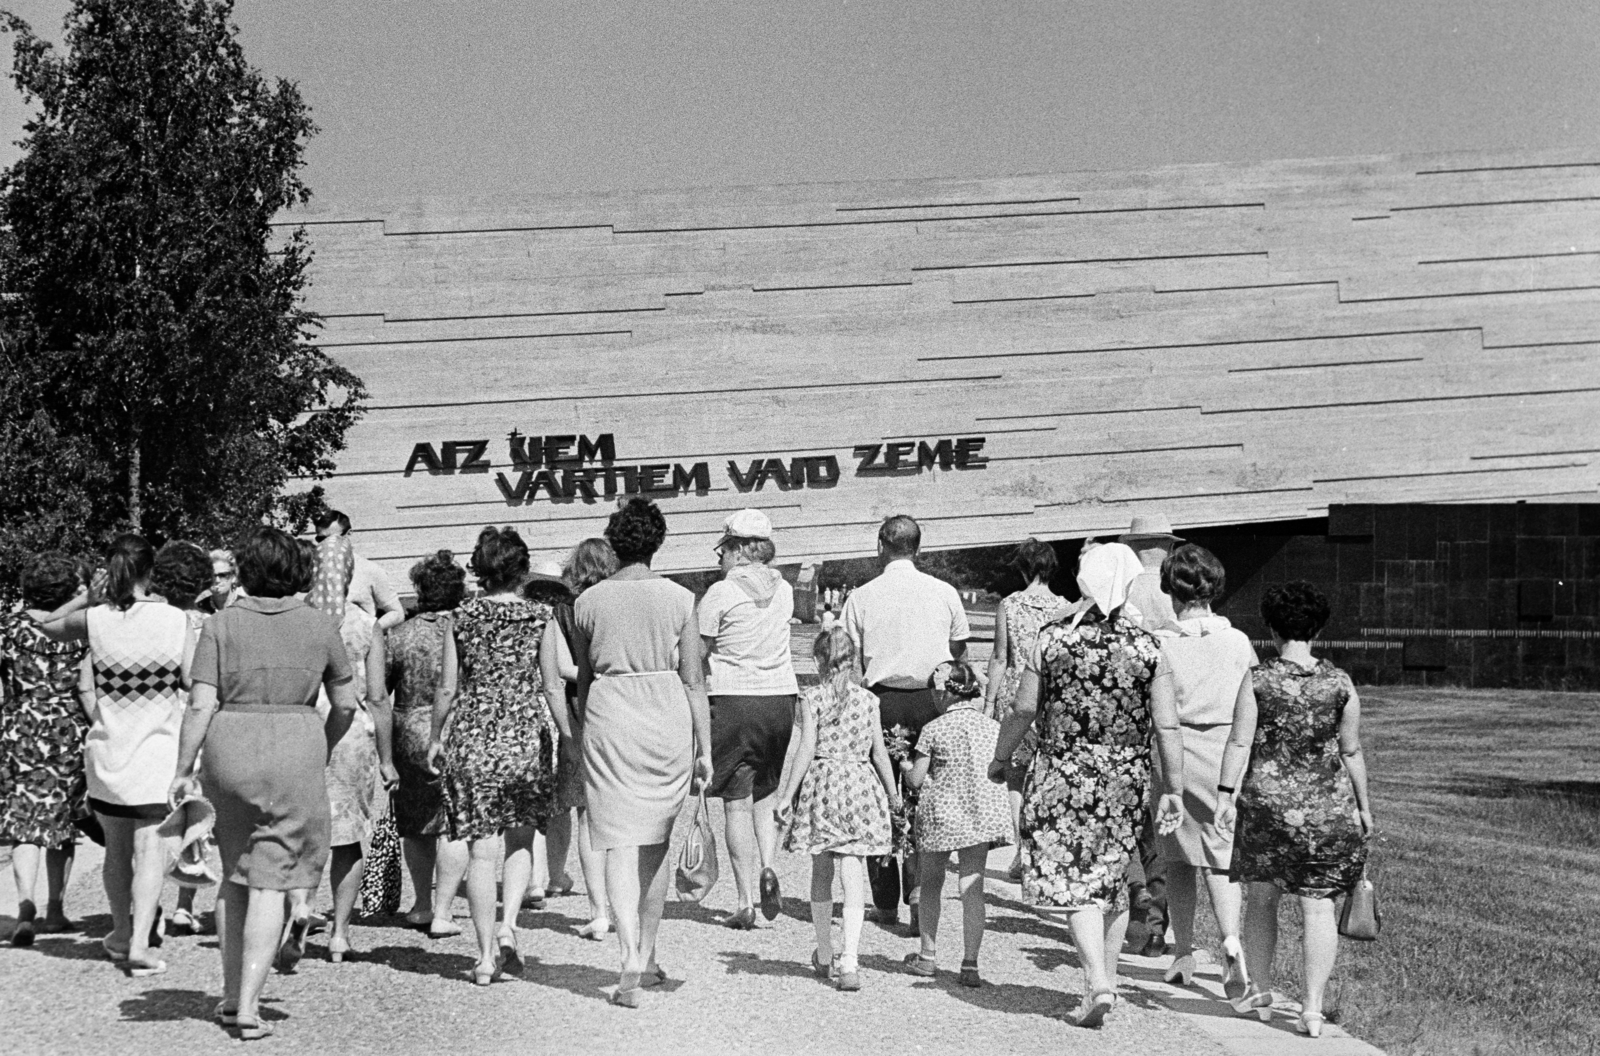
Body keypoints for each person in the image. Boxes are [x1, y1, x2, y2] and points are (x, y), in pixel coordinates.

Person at [167, 526, 359, 1039]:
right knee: (272, 878)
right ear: (296, 571)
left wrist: (183, 768)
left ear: (246, 572)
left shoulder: (221, 625)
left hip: (230, 746)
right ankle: (249, 1004)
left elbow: (201, 702)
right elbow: (344, 702)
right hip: (296, 741)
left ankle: (230, 995)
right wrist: (324, 740)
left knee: (235, 873)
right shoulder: (320, 625)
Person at [988, 542, 1185, 1029]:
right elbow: (1168, 726)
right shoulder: (1147, 647)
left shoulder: (1052, 640)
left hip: (1063, 773)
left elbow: (1024, 709)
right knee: (1113, 880)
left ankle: (1097, 980)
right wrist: (1175, 788)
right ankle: (1106, 981)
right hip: (1127, 779)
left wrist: (1000, 755)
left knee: (1073, 878)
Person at [572, 498, 712, 1008]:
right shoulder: (680, 598)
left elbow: (584, 681)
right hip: (664, 717)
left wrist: (586, 732)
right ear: (658, 542)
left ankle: (628, 949)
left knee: (612, 839)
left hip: (610, 713)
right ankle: (649, 956)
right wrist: (705, 749)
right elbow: (695, 681)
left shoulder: (588, 602)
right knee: (654, 841)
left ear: (614, 541)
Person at [1219, 581, 1374, 1037]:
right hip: (1328, 809)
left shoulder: (1259, 679)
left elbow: (1240, 740)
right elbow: (1352, 751)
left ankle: (1262, 993)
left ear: (1270, 628)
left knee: (1262, 900)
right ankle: (1311, 1009)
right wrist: (1364, 807)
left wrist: (1225, 795)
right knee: (1318, 907)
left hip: (1267, 806)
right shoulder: (1340, 683)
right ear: (1320, 628)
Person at [36, 534, 192, 976]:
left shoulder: (95, 619)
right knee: (150, 853)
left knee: (116, 853)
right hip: (157, 752)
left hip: (109, 751)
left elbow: (46, 624)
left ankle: (121, 932)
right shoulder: (174, 619)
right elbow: (190, 682)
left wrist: (86, 597)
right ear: (151, 571)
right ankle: (141, 942)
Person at [427, 526, 561, 986]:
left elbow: (447, 686)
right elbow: (551, 684)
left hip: (473, 739)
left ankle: (484, 957)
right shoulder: (540, 617)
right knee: (521, 840)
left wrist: (434, 736)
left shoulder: (461, 617)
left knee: (482, 852)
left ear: (480, 570)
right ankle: (510, 924)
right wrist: (569, 732)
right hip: (525, 739)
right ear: (522, 570)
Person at [840, 514, 970, 929]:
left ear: (881, 544)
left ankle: (885, 897)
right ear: (919, 546)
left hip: (881, 702)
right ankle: (920, 884)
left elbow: (850, 659)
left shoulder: (861, 596)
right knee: (922, 798)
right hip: (931, 701)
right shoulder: (944, 591)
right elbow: (957, 648)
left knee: (881, 797)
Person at [1148, 544, 1257, 998]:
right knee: (1220, 857)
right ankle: (1232, 941)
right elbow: (1247, 715)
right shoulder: (1238, 641)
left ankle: (1184, 952)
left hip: (1173, 753)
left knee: (1176, 856)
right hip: (1224, 752)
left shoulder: (1160, 642)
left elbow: (1157, 712)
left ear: (1172, 589)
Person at [773, 627, 899, 993]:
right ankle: (851, 960)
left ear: (818, 661)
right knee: (853, 870)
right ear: (854, 660)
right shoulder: (868, 701)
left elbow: (806, 748)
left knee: (822, 868)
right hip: (860, 783)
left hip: (824, 783)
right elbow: (880, 753)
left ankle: (826, 954)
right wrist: (893, 796)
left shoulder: (812, 698)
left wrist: (786, 795)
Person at [698, 508, 799, 929]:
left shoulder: (720, 594)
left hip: (734, 697)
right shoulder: (786, 590)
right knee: (766, 793)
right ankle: (769, 864)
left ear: (739, 550)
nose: (720, 558)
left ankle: (744, 900)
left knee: (735, 803)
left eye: (724, 549)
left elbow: (698, 651)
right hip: (780, 699)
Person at [304, 534, 394, 964]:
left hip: (303, 731)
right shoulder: (365, 624)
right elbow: (377, 696)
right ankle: (339, 933)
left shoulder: (298, 618)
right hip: (352, 737)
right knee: (347, 839)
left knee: (302, 835)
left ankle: (297, 916)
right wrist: (389, 759)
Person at [900, 660, 1011, 987]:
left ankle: (928, 956)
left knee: (931, 883)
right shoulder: (991, 727)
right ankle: (970, 963)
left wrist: (905, 762)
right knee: (971, 886)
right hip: (979, 814)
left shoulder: (933, 729)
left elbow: (917, 780)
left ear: (947, 694)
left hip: (942, 815)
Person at [1, 553, 90, 944]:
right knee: (63, 825)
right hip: (67, 730)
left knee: (25, 824)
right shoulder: (79, 629)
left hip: (19, 728)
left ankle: (24, 905)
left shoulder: (7, 628)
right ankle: (55, 910)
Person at [387, 550, 469, 938]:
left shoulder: (400, 635)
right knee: (454, 824)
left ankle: (420, 904)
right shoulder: (466, 629)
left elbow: (380, 690)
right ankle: (444, 910)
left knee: (416, 825)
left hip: (408, 728)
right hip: (456, 727)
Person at [541, 538, 618, 940]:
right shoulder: (620, 603)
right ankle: (625, 905)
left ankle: (599, 910)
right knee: (622, 815)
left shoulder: (562, 610)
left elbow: (556, 672)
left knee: (586, 817)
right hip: (624, 710)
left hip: (578, 711)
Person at [150, 541, 221, 935]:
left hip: (155, 716)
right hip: (192, 718)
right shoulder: (205, 623)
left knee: (156, 811)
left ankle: (149, 901)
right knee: (190, 807)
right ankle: (184, 903)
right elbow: (196, 680)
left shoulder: (149, 616)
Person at [983, 537, 1064, 881]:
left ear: (1024, 567)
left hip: (1015, 694)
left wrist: (988, 702)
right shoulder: (1065, 606)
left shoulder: (1010, 604)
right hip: (1051, 697)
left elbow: (1001, 656)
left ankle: (1022, 851)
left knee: (1014, 778)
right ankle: (1045, 853)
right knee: (1044, 777)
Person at [313, 509, 403, 631]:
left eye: (333, 539)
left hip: (358, 646)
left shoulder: (370, 570)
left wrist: (369, 632)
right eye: (321, 539)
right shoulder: (309, 569)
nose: (327, 544)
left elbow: (396, 613)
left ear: (348, 534)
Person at [204, 549, 237, 615]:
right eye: (212, 575)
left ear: (233, 577)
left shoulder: (245, 606)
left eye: (223, 575)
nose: (217, 580)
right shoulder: (201, 608)